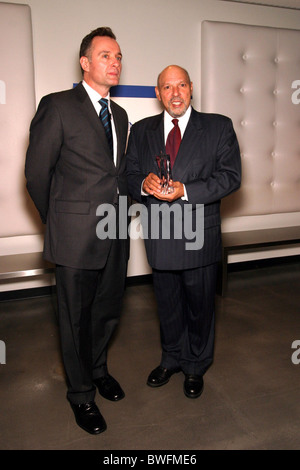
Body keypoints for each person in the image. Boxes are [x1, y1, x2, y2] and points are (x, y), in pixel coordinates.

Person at [25, 27, 129, 435]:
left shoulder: (120, 115)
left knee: (106, 312)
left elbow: (117, 175)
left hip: (116, 231)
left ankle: (99, 369)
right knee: (74, 319)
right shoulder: (58, 105)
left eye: (118, 56)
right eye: (105, 55)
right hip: (74, 235)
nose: (115, 62)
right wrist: (59, 220)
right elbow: (36, 174)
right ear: (85, 63)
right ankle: (81, 394)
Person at [126, 65, 241, 399]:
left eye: (180, 86)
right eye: (166, 87)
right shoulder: (143, 129)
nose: (174, 93)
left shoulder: (218, 127)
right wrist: (142, 184)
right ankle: (172, 358)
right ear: (157, 93)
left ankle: (195, 365)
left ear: (191, 88)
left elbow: (231, 177)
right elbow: (129, 174)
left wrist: (185, 190)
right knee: (168, 304)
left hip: (199, 234)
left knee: (200, 306)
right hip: (159, 234)